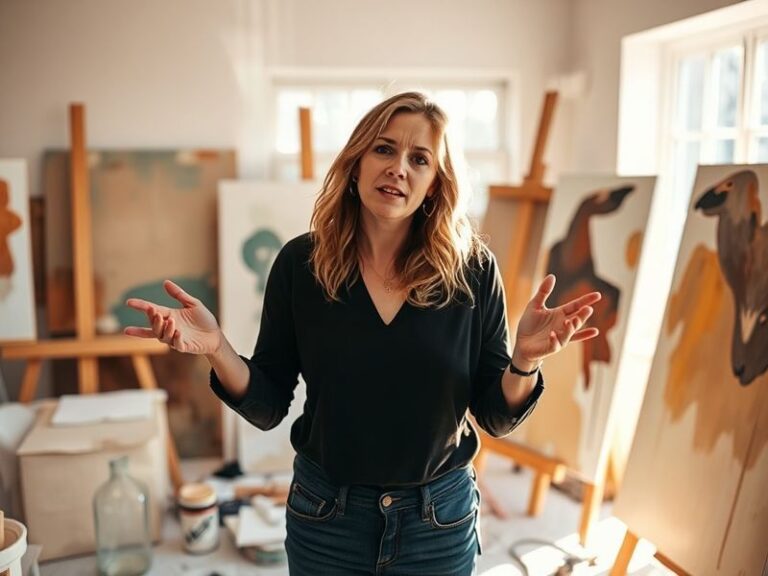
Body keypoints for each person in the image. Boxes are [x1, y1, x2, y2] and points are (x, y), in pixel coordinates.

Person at [125, 91, 601, 575]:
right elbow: (268, 405)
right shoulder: (301, 265)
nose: (399, 168)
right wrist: (217, 348)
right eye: (384, 149)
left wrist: (523, 360)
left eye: (420, 159)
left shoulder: (473, 272)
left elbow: (495, 416)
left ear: (435, 185)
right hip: (326, 516)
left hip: (438, 522)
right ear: (355, 164)